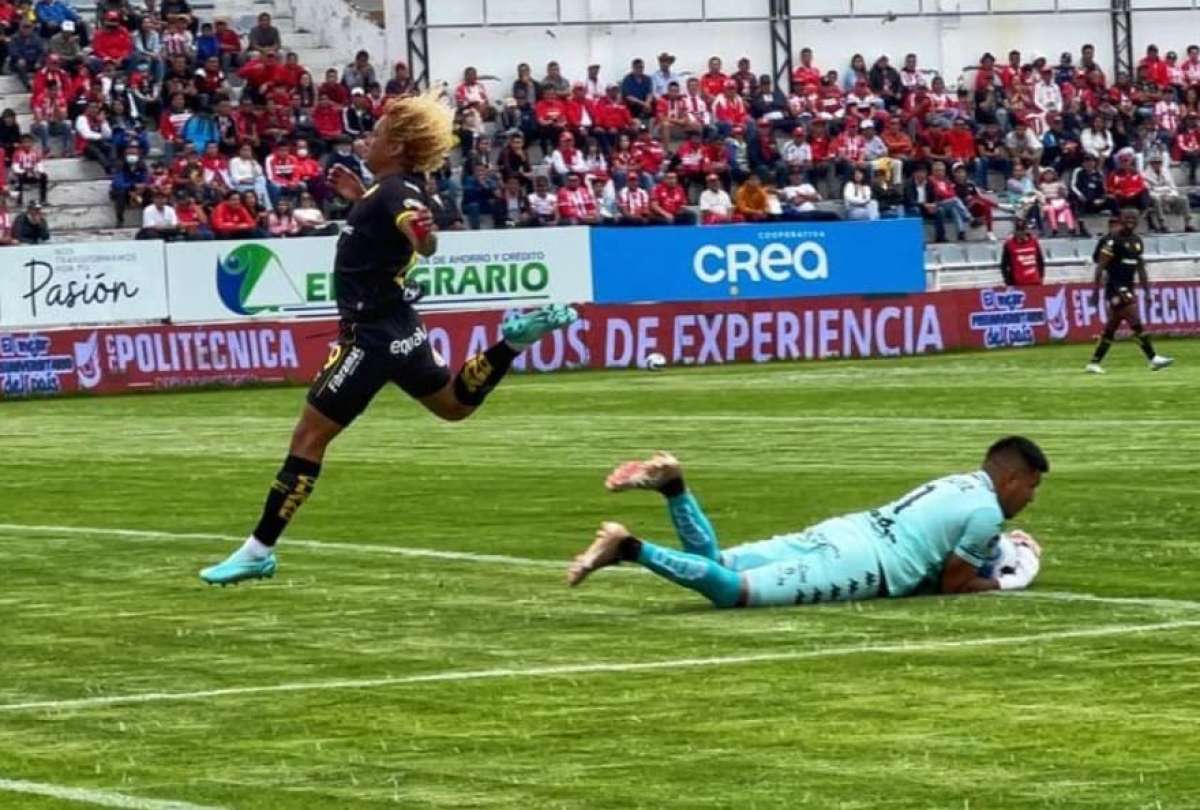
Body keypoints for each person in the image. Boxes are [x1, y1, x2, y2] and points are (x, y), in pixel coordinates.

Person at [199, 92, 579, 586]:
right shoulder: (389, 190)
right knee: (452, 405)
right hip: (401, 325)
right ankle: (511, 344)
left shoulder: (396, 193)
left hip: (370, 336)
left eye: (377, 134)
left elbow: (421, 235)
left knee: (309, 438)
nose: (368, 140)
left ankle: (258, 550)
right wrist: (361, 198)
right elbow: (401, 220)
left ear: (398, 146)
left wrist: (422, 236)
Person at [567, 439, 1049, 606]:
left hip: (850, 529)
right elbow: (953, 584)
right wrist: (1014, 575)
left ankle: (675, 489)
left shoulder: (962, 483)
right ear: (1013, 478)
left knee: (717, 561)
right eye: (1032, 487)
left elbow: (945, 533)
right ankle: (628, 547)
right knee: (732, 590)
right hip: (867, 566)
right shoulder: (986, 510)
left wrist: (999, 545)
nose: (1030, 498)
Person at [1085, 209, 1174, 374]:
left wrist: (1147, 291)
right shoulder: (1112, 241)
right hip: (1115, 287)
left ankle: (1094, 363)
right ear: (1121, 219)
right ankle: (1153, 358)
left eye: (1134, 218)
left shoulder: (1137, 241)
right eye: (1127, 218)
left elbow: (1140, 268)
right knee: (1135, 319)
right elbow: (1100, 267)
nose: (1131, 221)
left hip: (1129, 286)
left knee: (1112, 327)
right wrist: (1095, 293)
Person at [1000, 219, 1045, 286]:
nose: (1020, 233)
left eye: (1022, 230)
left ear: (1026, 230)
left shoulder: (1034, 242)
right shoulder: (1009, 244)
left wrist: (1041, 277)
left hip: (1035, 282)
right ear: (1015, 231)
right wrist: (1007, 281)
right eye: (1018, 231)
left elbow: (1040, 261)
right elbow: (1004, 264)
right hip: (1017, 283)